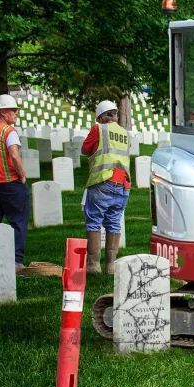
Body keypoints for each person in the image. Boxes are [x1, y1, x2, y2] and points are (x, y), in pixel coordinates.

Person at [81, 100, 131, 274]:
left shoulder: (98, 129)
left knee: (94, 221)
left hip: (103, 181)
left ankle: (93, 265)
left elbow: (85, 149)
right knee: (114, 223)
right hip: (122, 183)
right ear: (115, 115)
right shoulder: (125, 133)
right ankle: (111, 265)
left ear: (101, 118)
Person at [0, 94, 28, 269]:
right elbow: (15, 155)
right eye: (13, 110)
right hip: (11, 183)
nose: (16, 113)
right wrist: (22, 175)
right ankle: (16, 260)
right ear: (2, 112)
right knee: (17, 221)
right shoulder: (9, 131)